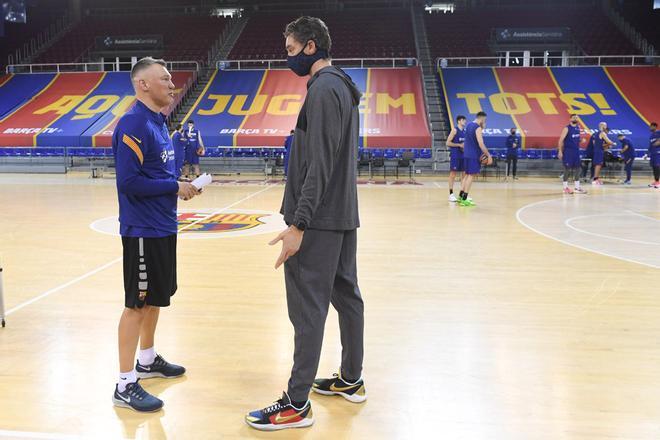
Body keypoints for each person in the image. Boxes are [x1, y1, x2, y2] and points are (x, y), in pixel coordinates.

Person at [245, 16, 365, 431]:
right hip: (341, 214)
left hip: (319, 219)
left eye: (292, 50)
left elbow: (320, 162)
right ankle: (351, 379)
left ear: (311, 47)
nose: (288, 57)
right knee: (346, 296)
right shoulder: (342, 88)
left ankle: (296, 404)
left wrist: (299, 223)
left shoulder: (324, 90)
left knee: (307, 310)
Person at [111, 57, 200, 412]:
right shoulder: (133, 123)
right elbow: (128, 181)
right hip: (142, 229)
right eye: (164, 79)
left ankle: (147, 360)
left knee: (155, 298)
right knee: (137, 303)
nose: (172, 84)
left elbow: (156, 177)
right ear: (143, 85)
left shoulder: (159, 123)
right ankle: (124, 383)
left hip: (163, 225)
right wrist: (174, 186)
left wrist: (178, 187)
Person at [457, 111, 492, 207]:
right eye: (484, 120)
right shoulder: (478, 128)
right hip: (473, 155)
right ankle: (465, 199)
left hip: (466, 154)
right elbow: (481, 144)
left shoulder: (468, 125)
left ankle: (461, 196)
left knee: (466, 175)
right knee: (471, 176)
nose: (485, 122)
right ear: (481, 119)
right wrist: (488, 155)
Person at [558, 114, 587, 194]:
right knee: (567, 169)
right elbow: (560, 140)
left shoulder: (578, 128)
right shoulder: (567, 128)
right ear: (570, 119)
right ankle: (565, 188)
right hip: (568, 151)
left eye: (577, 118)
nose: (576, 119)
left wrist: (581, 141)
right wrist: (560, 151)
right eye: (574, 117)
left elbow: (575, 139)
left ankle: (577, 187)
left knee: (578, 168)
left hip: (576, 151)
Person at [446, 115, 466, 202]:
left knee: (464, 175)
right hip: (455, 155)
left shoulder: (465, 132)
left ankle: (462, 194)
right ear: (458, 121)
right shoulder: (454, 130)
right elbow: (447, 143)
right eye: (463, 120)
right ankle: (451, 194)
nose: (465, 121)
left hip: (463, 155)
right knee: (453, 174)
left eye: (465, 120)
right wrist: (459, 145)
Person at [648, 122, 660, 188]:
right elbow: (650, 145)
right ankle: (656, 181)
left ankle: (658, 182)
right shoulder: (651, 135)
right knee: (653, 167)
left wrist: (658, 143)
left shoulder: (659, 132)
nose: (650, 128)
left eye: (651, 126)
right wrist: (647, 153)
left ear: (655, 126)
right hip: (652, 153)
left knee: (657, 166)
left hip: (657, 152)